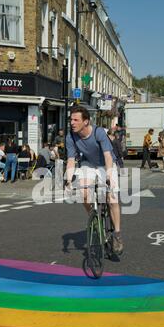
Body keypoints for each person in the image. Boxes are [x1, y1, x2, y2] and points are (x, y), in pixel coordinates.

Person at [65, 106, 123, 255]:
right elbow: (71, 160)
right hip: (88, 163)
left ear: (86, 122)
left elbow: (108, 156)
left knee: (112, 198)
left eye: (75, 120)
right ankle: (94, 218)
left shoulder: (98, 133)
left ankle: (117, 234)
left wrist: (109, 176)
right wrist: (68, 181)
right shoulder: (71, 136)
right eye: (71, 119)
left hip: (106, 163)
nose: (72, 122)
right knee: (83, 193)